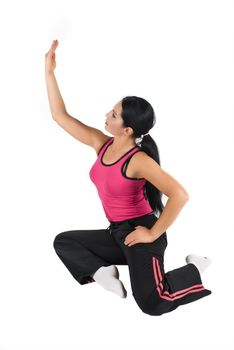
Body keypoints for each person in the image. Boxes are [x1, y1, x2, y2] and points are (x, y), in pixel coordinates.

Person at [45, 40, 212, 316]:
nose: (106, 117)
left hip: (140, 233)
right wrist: (49, 72)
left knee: (153, 303)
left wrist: (153, 233)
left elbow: (180, 194)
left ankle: (196, 267)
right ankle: (103, 272)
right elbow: (59, 116)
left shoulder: (139, 161)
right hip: (117, 233)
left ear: (127, 129)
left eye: (113, 115)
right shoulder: (102, 144)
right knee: (65, 241)